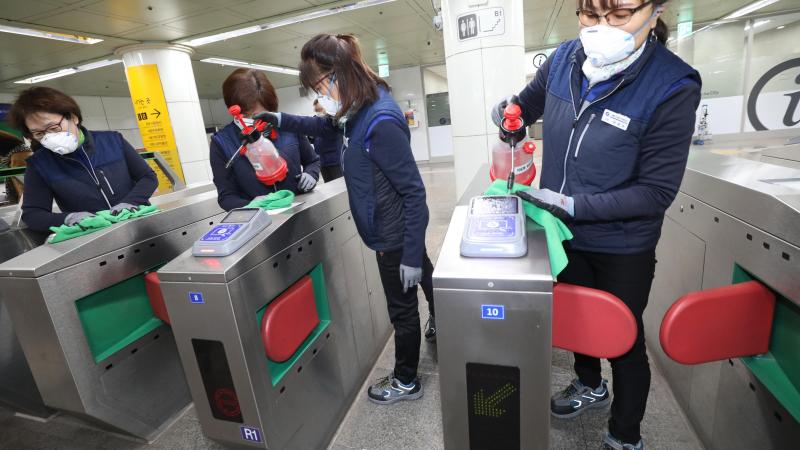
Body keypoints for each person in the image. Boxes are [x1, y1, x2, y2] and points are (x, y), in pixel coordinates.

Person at [492, 1, 700, 449]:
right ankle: (589, 383)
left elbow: (656, 192)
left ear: (655, 9)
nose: (602, 27)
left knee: (623, 339)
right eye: (590, 14)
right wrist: (509, 115)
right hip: (562, 233)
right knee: (577, 322)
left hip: (622, 242)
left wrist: (571, 203)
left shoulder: (672, 85)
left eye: (620, 15)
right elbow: (526, 105)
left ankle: (625, 434)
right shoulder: (565, 58)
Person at [254, 34, 436, 404]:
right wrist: (279, 119)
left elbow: (415, 192)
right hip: (390, 225)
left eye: (319, 86)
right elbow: (323, 127)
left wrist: (408, 251)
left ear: (337, 74)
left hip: (392, 233)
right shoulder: (358, 109)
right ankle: (442, 315)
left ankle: (406, 380)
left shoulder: (379, 120)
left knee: (401, 311)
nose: (319, 96)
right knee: (424, 271)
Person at [8, 87, 158, 232]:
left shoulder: (112, 141)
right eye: (39, 133)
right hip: (93, 235)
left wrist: (129, 203)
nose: (49, 137)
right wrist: (69, 218)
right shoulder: (40, 164)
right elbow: (33, 214)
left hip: (140, 223)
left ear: (74, 117)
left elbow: (148, 177)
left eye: (53, 128)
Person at [209, 68, 320, 211]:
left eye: (264, 113)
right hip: (259, 220)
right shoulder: (222, 142)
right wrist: (250, 205)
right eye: (249, 115)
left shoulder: (286, 126)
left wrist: (311, 174)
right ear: (234, 110)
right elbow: (226, 196)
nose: (257, 120)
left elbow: (313, 160)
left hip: (299, 210)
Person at [311, 98, 344, 182]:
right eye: (316, 110)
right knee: (330, 187)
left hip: (335, 161)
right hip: (323, 162)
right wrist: (310, 137)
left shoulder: (333, 120)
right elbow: (314, 140)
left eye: (320, 109)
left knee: (339, 187)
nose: (318, 112)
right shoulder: (316, 122)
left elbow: (331, 136)